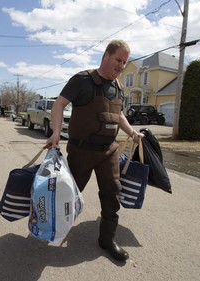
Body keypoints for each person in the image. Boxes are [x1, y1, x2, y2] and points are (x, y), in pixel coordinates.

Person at [45, 39, 144, 261]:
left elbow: (119, 115)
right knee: (70, 194)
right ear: (105, 56)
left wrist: (132, 133)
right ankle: (54, 227)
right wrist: (55, 132)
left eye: (125, 62)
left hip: (108, 151)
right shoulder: (83, 80)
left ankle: (107, 239)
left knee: (112, 194)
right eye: (118, 59)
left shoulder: (118, 86)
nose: (121, 65)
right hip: (82, 151)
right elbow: (59, 104)